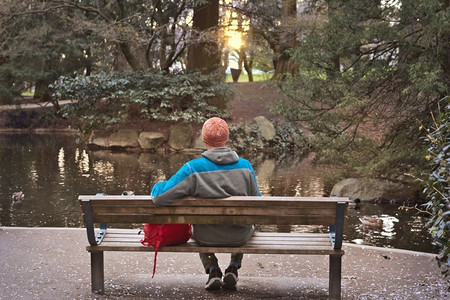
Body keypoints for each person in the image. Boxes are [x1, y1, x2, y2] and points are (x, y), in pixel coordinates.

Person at [151, 117, 261, 291]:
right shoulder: (245, 167)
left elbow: (160, 197)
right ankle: (233, 266)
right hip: (240, 236)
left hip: (205, 236)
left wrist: (158, 186)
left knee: (196, 226)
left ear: (203, 139)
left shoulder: (193, 168)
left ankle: (213, 270)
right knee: (249, 222)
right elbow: (258, 205)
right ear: (226, 139)